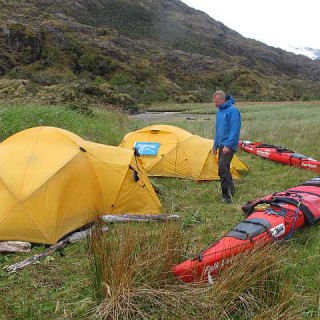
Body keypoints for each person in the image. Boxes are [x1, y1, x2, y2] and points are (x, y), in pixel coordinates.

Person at [213, 91, 241, 204]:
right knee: (225, 167)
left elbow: (235, 129)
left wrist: (228, 145)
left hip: (229, 145)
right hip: (221, 144)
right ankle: (231, 191)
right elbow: (218, 131)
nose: (214, 104)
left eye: (216, 101)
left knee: (222, 168)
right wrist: (215, 145)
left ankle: (226, 196)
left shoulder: (233, 110)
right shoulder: (219, 112)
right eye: (214, 101)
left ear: (222, 99)